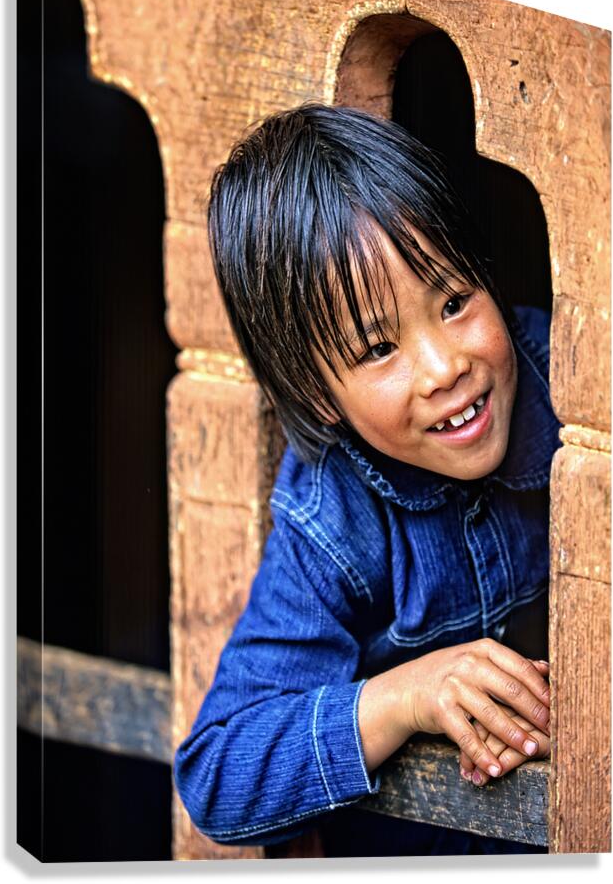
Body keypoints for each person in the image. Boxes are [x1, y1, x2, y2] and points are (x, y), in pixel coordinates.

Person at [173, 103, 561, 857]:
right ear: (319, 394)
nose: (445, 366)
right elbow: (217, 772)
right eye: (379, 348)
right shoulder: (332, 513)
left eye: (454, 301)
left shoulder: (572, 387)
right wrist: (405, 697)